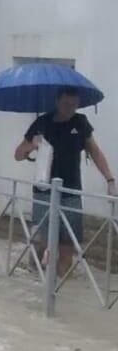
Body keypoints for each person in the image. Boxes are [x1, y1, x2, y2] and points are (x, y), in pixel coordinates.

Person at [14, 87, 118, 276]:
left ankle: (59, 286)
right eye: (66, 104)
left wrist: (110, 179)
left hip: (71, 191)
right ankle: (36, 276)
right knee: (39, 239)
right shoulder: (42, 123)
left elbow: (95, 152)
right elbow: (18, 155)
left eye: (74, 105)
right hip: (44, 191)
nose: (70, 108)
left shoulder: (80, 123)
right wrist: (32, 144)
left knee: (67, 242)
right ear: (57, 102)